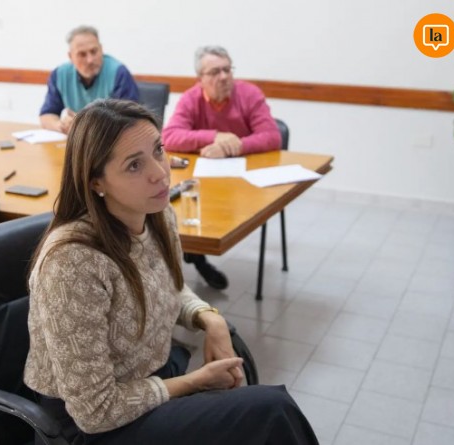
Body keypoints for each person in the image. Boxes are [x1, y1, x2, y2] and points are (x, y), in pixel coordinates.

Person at [24, 99, 317, 445]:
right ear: (96, 183)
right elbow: (95, 412)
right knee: (271, 410)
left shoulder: (157, 214)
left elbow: (167, 286)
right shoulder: (72, 263)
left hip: (152, 382)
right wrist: (196, 382)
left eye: (158, 150)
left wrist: (211, 319)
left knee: (263, 416)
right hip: (92, 426)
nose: (160, 172)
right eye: (134, 165)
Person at [163, 46, 282, 290]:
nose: (224, 77)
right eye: (215, 72)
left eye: (228, 69)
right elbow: (170, 136)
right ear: (201, 78)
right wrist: (214, 136)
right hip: (203, 180)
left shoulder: (249, 94)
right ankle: (194, 257)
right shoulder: (191, 98)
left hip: (243, 184)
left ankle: (195, 257)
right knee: (178, 207)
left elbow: (272, 136)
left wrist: (233, 147)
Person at [39, 25, 139, 134]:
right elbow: (46, 116)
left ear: (101, 49)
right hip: (78, 139)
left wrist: (82, 126)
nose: (90, 60)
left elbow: (127, 121)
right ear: (71, 57)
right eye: (82, 54)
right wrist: (62, 125)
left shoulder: (119, 73)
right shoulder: (59, 75)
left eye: (94, 51)